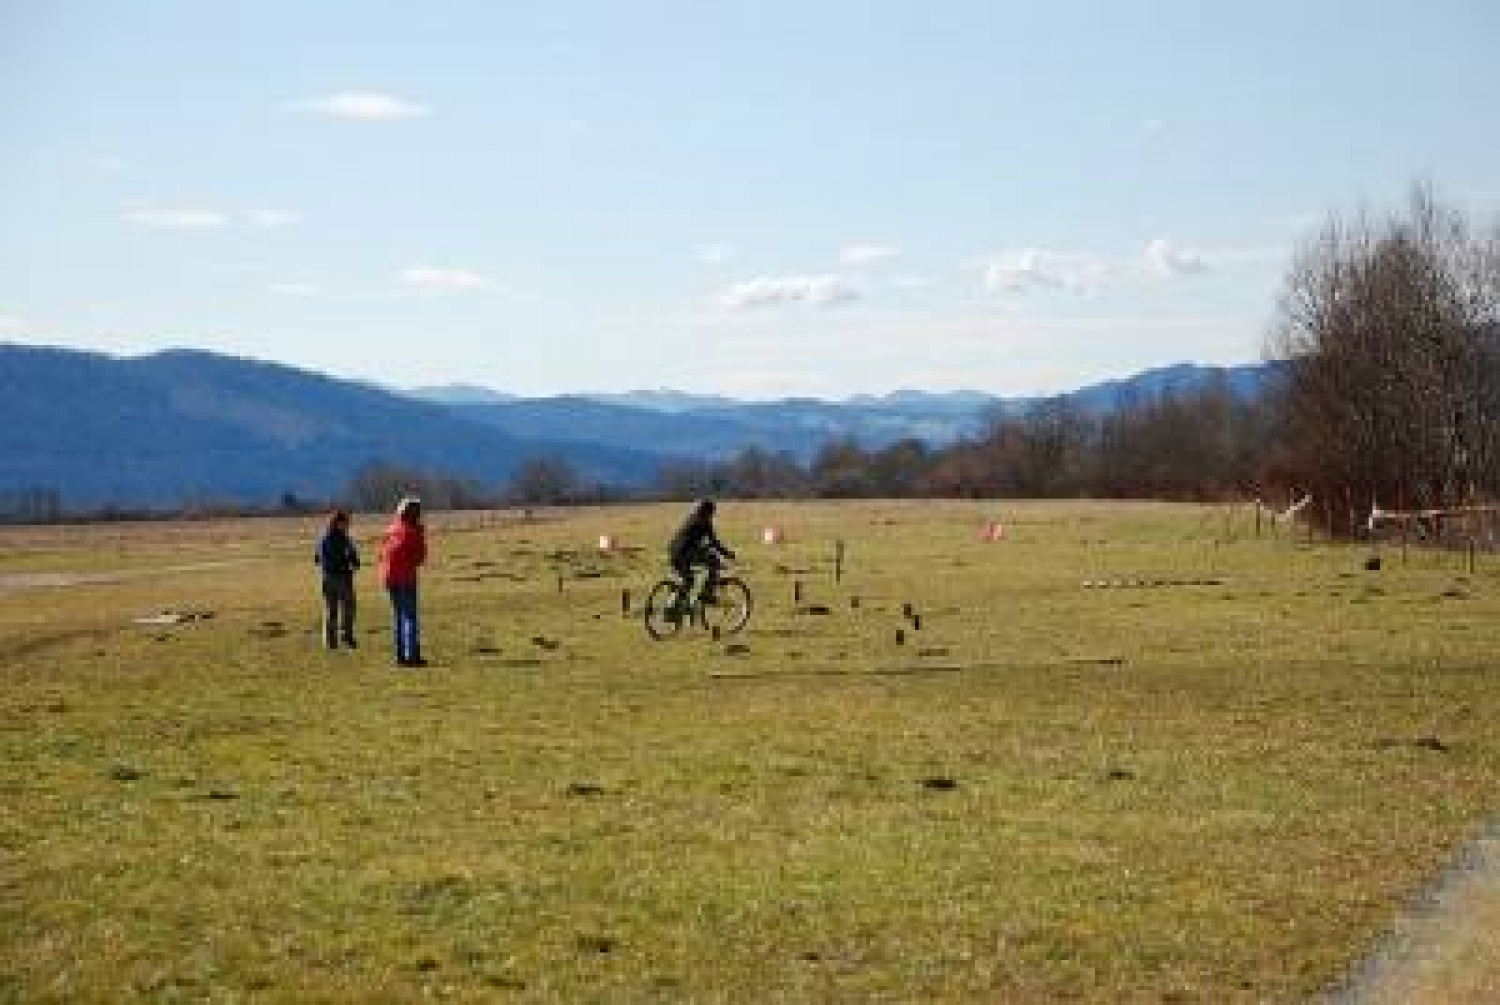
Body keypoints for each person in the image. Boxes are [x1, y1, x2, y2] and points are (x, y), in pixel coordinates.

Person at [379, 497, 428, 667]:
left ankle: (400, 656)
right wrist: (421, 535)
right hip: (406, 578)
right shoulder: (413, 531)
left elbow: (381, 553)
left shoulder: (391, 529)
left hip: (388, 578)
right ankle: (412, 655)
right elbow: (419, 557)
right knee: (410, 617)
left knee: (397, 617)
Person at [668, 498, 736, 604]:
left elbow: (695, 540)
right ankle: (707, 593)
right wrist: (727, 554)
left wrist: (706, 547)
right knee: (714, 561)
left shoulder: (691, 519)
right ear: (707, 512)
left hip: (673, 552)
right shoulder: (704, 522)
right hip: (685, 552)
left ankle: (678, 606)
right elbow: (714, 542)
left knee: (689, 580)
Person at [314, 509, 360, 649]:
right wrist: (350, 565)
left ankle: (330, 641)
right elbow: (346, 556)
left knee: (331, 610)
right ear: (338, 523)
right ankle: (346, 636)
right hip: (340, 578)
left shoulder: (324, 538)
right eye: (346, 523)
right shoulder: (340, 538)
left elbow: (317, 559)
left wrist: (354, 561)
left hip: (327, 578)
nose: (348, 526)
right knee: (348, 608)